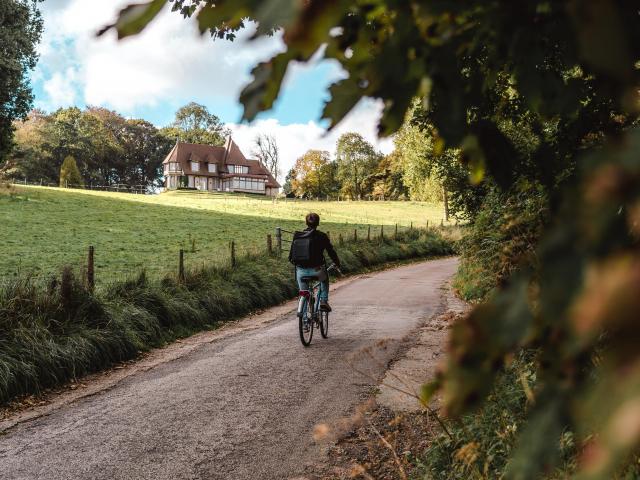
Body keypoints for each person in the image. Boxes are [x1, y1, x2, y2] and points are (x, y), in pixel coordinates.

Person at [289, 212, 341, 312]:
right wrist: (337, 263)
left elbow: (291, 256)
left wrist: (300, 266)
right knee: (324, 280)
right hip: (317, 269)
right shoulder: (322, 236)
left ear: (306, 223)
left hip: (301, 270)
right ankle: (323, 301)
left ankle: (304, 319)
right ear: (318, 223)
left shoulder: (297, 236)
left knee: (303, 292)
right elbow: (331, 252)